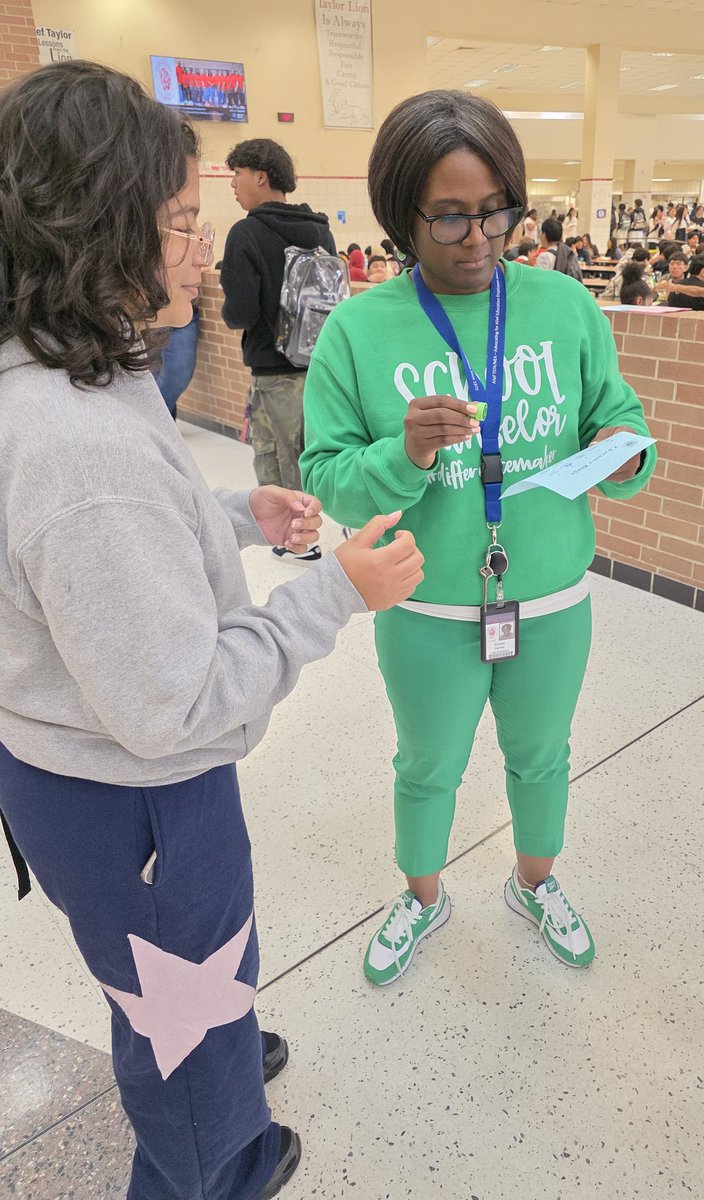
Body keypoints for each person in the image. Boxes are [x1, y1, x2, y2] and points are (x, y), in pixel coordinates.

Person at [0, 60, 424, 1200]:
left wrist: (235, 514)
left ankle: (217, 1037)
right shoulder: (78, 449)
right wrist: (336, 590)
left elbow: (107, 556)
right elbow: (175, 702)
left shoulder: (67, 370)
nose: (200, 249)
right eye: (181, 225)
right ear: (94, 236)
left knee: (186, 979)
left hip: (78, 774)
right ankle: (214, 1157)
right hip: (136, 793)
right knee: (175, 1026)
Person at [300, 88, 657, 987]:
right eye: (450, 217)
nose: (480, 239)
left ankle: (535, 883)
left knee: (542, 756)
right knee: (428, 765)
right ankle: (421, 896)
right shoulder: (358, 330)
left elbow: (618, 417)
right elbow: (328, 475)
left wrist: (624, 454)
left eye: (497, 211)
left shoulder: (565, 308)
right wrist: (405, 453)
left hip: (551, 596)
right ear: (400, 216)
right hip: (424, 604)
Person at [220, 137, 336, 563]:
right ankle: (308, 532)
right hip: (318, 365)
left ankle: (299, 538)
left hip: (272, 368)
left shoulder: (246, 233)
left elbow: (241, 312)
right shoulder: (321, 229)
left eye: (237, 173)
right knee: (307, 451)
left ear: (260, 176)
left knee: (274, 453)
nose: (233, 184)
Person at [152, 299, 200, 418]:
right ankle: (161, 427)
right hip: (146, 315)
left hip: (181, 310)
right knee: (152, 379)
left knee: (177, 376)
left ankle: (159, 426)